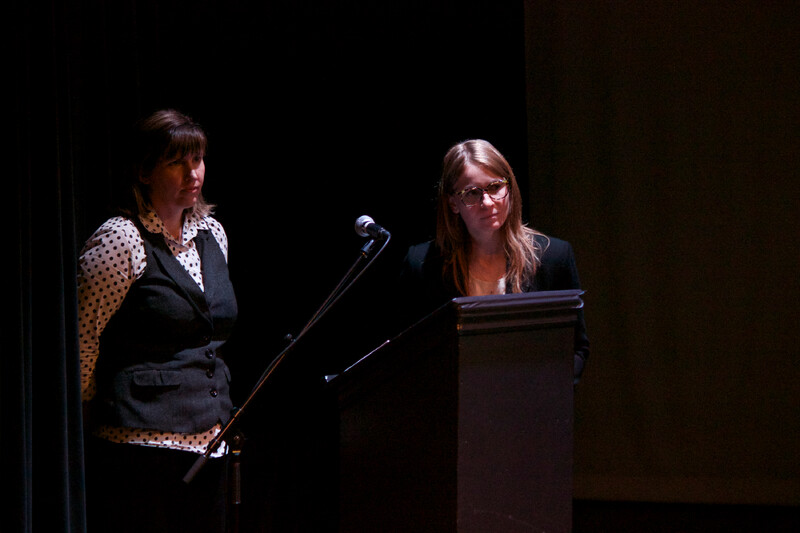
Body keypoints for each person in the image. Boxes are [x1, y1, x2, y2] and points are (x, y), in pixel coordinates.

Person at [78, 109, 238, 532]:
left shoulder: (213, 234)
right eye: (176, 162)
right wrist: (91, 408)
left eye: (197, 160)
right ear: (145, 171)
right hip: (141, 443)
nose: (192, 173)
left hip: (210, 443)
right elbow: (82, 338)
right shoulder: (121, 239)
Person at [400, 139, 589, 382]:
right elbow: (407, 355)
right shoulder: (422, 265)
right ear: (453, 203)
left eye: (495, 187)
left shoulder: (553, 257)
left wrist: (542, 389)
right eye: (472, 193)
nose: (487, 202)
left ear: (509, 186)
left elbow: (577, 349)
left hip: (532, 399)